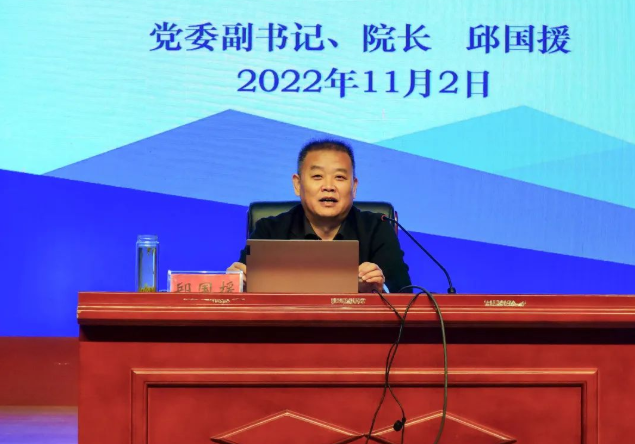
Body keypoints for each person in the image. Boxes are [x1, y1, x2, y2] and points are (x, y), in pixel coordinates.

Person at [227, 139, 411, 293]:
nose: (328, 186)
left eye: (339, 177)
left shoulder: (377, 228)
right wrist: (237, 283)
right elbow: (243, 286)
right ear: (297, 184)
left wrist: (379, 288)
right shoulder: (269, 231)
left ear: (354, 187)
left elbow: (404, 293)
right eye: (317, 176)